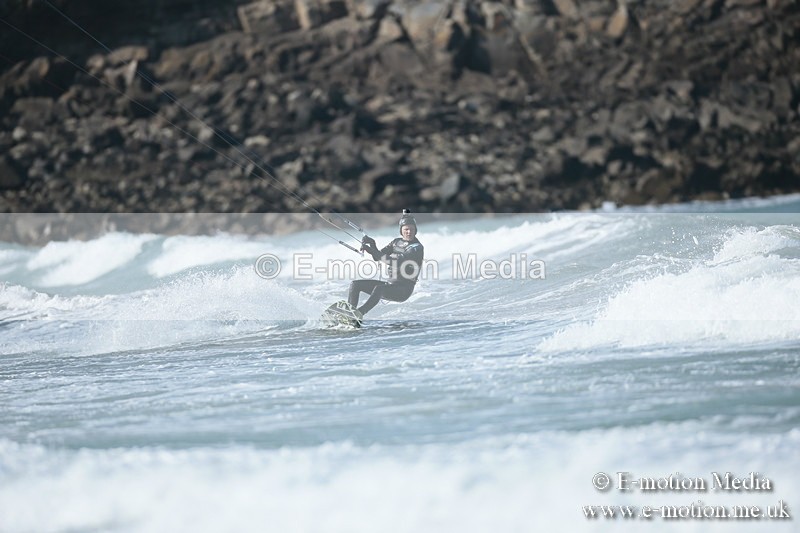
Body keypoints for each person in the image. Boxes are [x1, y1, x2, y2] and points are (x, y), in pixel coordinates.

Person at [348, 209, 424, 316]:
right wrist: (372, 244)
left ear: (415, 230)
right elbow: (377, 257)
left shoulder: (416, 248)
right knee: (355, 285)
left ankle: (359, 313)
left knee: (379, 289)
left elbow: (395, 262)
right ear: (401, 230)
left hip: (403, 290)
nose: (409, 232)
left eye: (412, 229)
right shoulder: (396, 242)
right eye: (406, 229)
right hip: (390, 285)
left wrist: (372, 251)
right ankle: (349, 313)